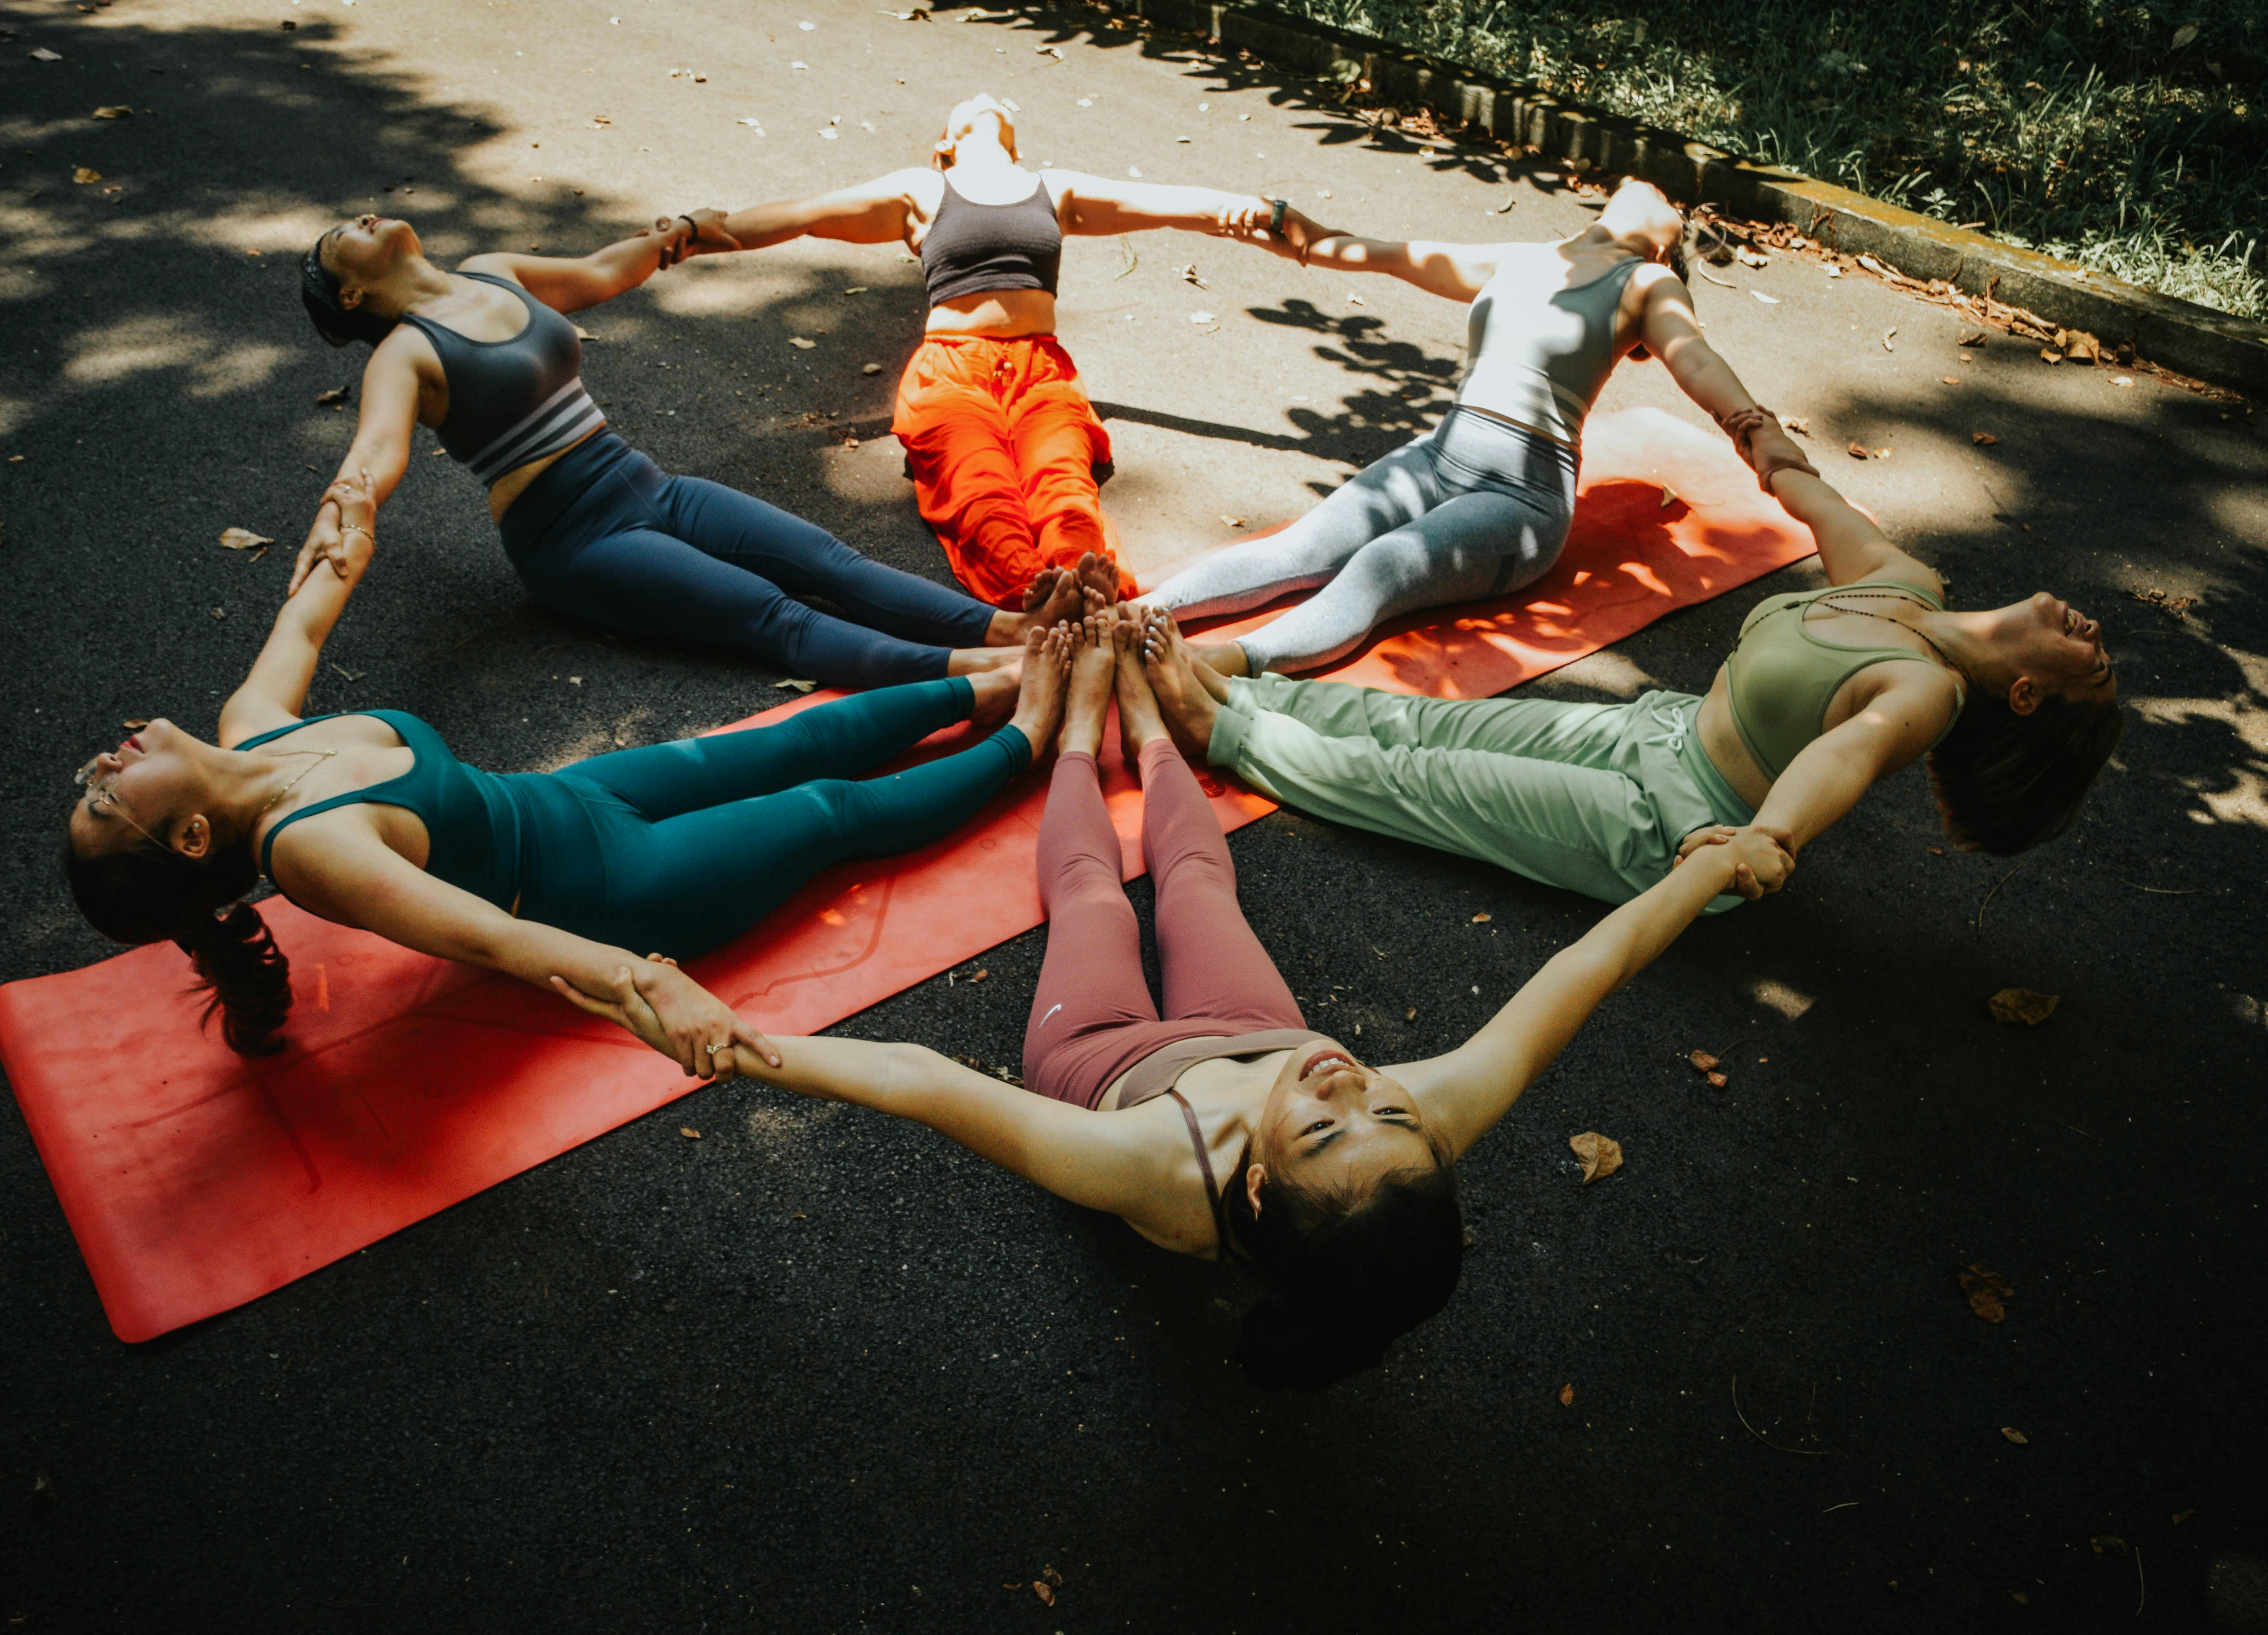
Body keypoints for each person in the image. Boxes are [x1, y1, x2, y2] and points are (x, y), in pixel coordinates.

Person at [553, 613, 1793, 1389]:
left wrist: (741, 1045)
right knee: (1200, 876)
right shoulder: (1415, 1126)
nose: (1354, 1086)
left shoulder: (1153, 1173)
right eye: (1389, 1115)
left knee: (1096, 896)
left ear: (1257, 1191)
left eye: (1326, 1128)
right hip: (1239, 1033)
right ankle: (1152, 729)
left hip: (1110, 1066)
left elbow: (928, 1084)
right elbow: (1582, 973)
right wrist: (1701, 871)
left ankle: (1081, 730)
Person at [63, 475, 1074, 1064]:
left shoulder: (251, 728)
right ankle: (1028, 732)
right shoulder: (317, 851)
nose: (102, 765)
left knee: (799, 737)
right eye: (109, 798)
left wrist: (349, 523)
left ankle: (1012, 673)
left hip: (577, 797)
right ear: (192, 837)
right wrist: (648, 984)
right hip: (612, 890)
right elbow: (502, 941)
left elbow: (305, 614)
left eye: (92, 784)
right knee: (825, 809)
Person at [1134, 447, 2122, 915]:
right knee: (1431, 729)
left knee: (1423, 788)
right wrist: (1750, 429)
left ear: (2030, 696)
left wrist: (1769, 840)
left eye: (2097, 665)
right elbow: (1814, 493)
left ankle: (1220, 729)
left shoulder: (1928, 696)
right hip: (1659, 731)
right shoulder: (1910, 584)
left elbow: (1850, 753)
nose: (2096, 633)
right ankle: (1244, 695)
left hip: (1683, 830)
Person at [294, 211, 1084, 688]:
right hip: (572, 539)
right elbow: (375, 452)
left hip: (647, 484)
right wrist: (348, 506)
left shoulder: (492, 274)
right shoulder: (400, 355)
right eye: (342, 238)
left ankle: (1006, 630)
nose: (360, 219)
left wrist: (678, 238)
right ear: (352, 296)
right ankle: (993, 675)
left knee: (828, 563)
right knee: (772, 618)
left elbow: (602, 271)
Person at [1143, 179, 1814, 676]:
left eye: (1674, 201)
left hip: (1521, 503)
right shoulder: (1527, 256)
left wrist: (1756, 432)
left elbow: (1694, 356)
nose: (1658, 187)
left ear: (1669, 243)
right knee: (1302, 548)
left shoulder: (1647, 285)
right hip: (1439, 458)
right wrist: (1302, 233)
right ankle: (1132, 619)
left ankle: (1226, 664)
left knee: (1379, 568)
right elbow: (1395, 255)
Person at [701, 94, 1313, 608]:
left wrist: (1261, 210)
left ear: (1015, 144)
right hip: (951, 371)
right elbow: (804, 216)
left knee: (1063, 485)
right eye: (970, 105)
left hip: (1040, 369)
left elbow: (1169, 205)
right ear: (948, 142)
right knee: (980, 489)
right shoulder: (923, 188)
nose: (989, 99)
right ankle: (1035, 594)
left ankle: (1084, 587)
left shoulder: (1053, 188)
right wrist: (701, 231)